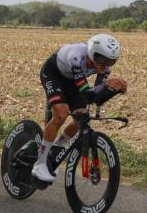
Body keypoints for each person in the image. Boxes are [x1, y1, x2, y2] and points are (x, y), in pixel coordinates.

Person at [31, 33, 127, 183]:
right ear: (92, 54)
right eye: (102, 60)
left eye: (111, 61)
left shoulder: (105, 68)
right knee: (61, 115)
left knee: (80, 118)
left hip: (71, 81)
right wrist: (106, 85)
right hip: (53, 74)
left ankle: (56, 147)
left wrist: (113, 90)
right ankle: (40, 163)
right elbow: (87, 93)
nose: (105, 65)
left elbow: (95, 97)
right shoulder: (77, 57)